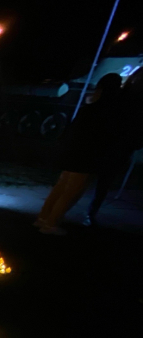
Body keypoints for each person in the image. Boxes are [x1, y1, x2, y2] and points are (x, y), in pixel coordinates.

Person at [35, 74, 123, 235]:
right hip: (85, 156)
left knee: (61, 188)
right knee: (71, 192)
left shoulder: (89, 107)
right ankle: (51, 223)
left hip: (72, 153)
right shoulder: (107, 111)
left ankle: (43, 217)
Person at [84, 71, 143, 226]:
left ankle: (81, 211)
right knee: (102, 182)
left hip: (110, 144)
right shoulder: (128, 99)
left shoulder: (120, 96)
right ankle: (90, 212)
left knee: (92, 179)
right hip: (117, 146)